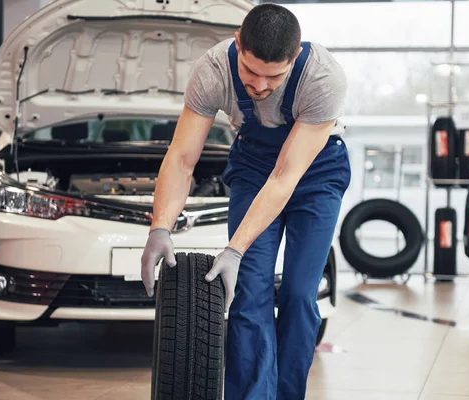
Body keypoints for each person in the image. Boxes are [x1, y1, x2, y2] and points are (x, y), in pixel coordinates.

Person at [140, 3, 350, 399]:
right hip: (253, 165)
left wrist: (235, 248)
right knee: (247, 291)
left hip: (315, 172)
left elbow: (286, 176)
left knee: (298, 294)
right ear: (238, 42)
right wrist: (161, 226)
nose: (260, 85)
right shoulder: (212, 70)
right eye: (251, 71)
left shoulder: (323, 79)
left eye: (275, 76)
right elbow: (182, 158)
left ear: (294, 56)